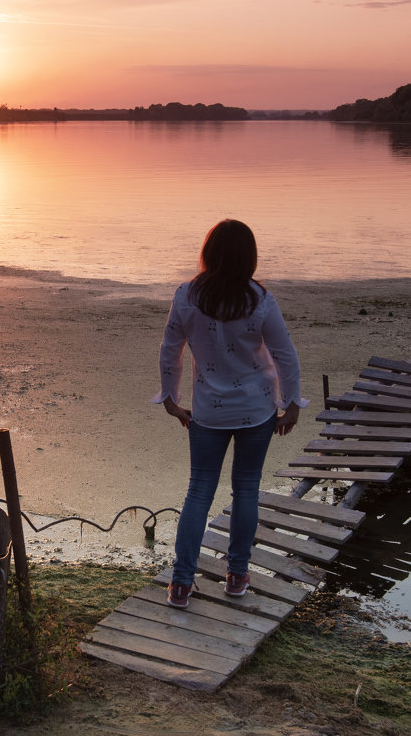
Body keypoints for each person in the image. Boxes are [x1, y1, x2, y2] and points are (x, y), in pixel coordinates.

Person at [152, 219, 306, 608]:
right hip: (256, 411)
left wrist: (170, 398)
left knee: (199, 491)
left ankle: (181, 584)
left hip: (207, 413)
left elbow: (170, 349)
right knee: (247, 490)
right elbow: (285, 354)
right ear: (249, 258)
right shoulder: (259, 299)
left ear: (209, 253)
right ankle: (237, 577)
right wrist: (292, 403)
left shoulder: (187, 296)